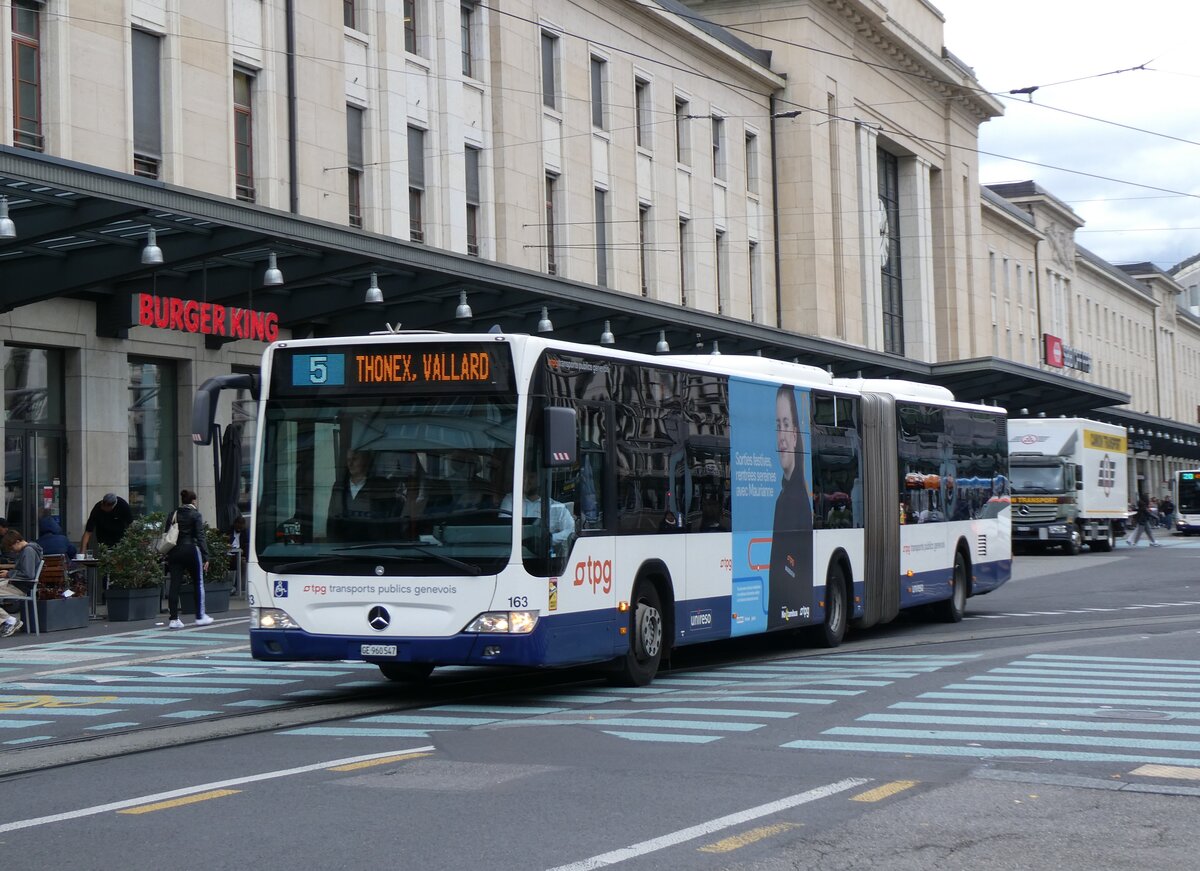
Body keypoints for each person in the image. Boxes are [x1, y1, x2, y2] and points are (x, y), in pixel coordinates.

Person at [768, 385, 813, 629]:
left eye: (786, 424)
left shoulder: (796, 501)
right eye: (778, 425)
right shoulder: (784, 497)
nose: (782, 436)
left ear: (795, 434)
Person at [163, 489, 212, 628]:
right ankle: (200, 616)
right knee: (198, 582)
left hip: (174, 551)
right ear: (193, 501)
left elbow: (167, 533)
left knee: (174, 584)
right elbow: (200, 536)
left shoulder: (173, 514)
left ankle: (173, 619)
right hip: (191, 550)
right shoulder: (195, 515)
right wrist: (206, 555)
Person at [500, 467, 575, 550]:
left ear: (539, 480)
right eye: (524, 477)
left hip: (543, 557)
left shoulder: (556, 507)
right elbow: (504, 527)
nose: (527, 481)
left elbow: (570, 529)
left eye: (531, 477)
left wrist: (549, 540)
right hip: (512, 552)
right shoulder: (510, 499)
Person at [327, 450, 395, 541]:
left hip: (373, 547)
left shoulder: (381, 486)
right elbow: (332, 520)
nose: (350, 464)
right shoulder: (340, 487)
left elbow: (389, 521)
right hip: (343, 548)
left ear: (365, 460)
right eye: (348, 460)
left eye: (354, 459)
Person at [0, 529, 44, 636]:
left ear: (17, 541)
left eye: (12, 547)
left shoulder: (28, 551)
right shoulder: (29, 550)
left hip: (18, 587)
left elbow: (28, 574)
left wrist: (8, 574)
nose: (12, 551)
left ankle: (10, 620)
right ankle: (8, 620)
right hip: (16, 584)